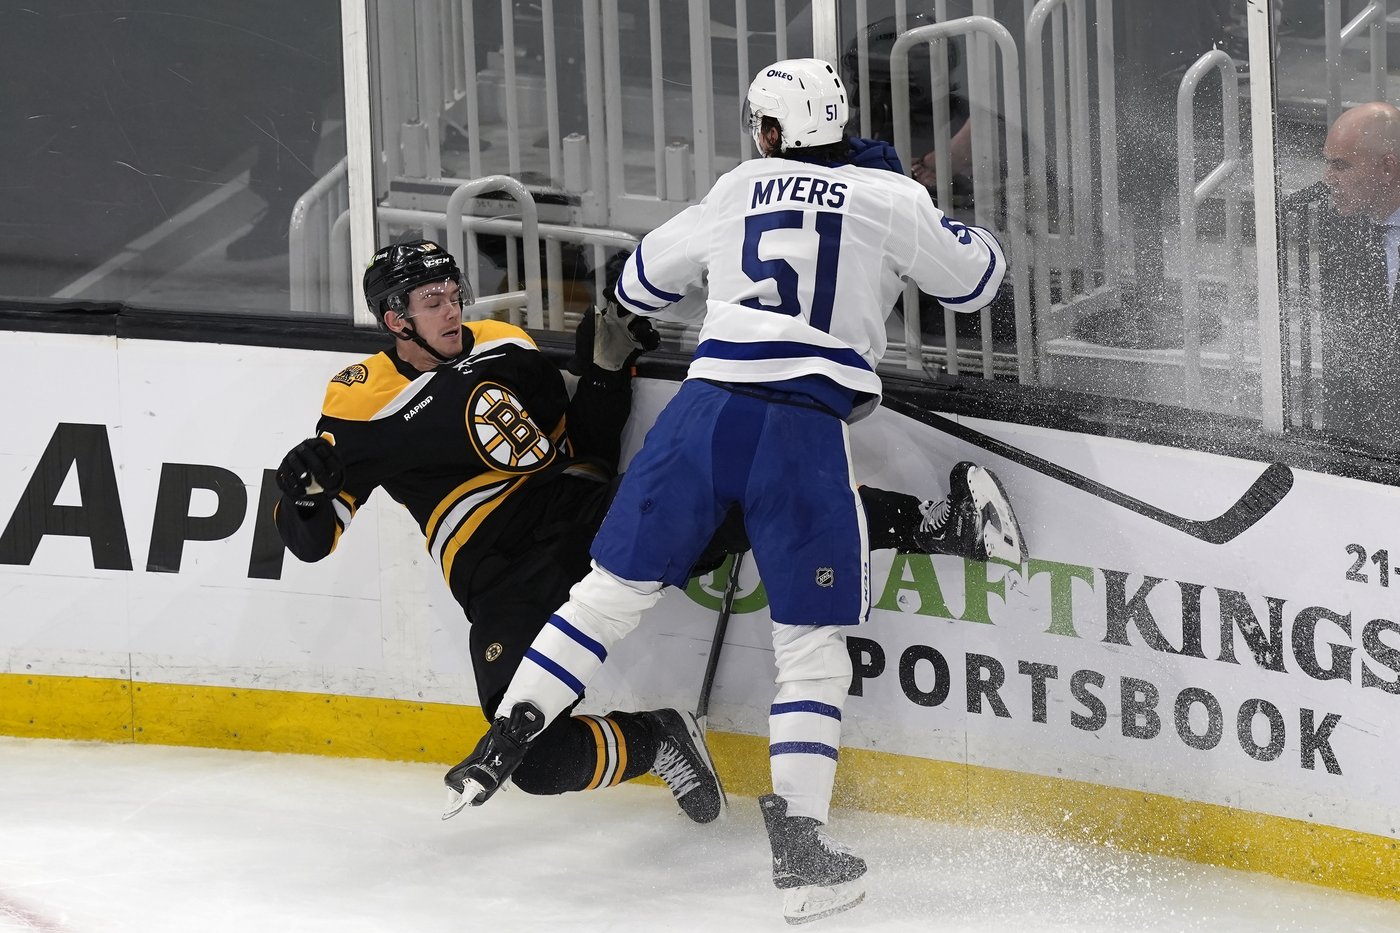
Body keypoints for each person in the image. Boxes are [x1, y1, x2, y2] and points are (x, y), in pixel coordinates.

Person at [444, 58, 1025, 925]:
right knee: (811, 645)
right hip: (800, 427)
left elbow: (636, 284)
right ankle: (801, 849)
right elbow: (978, 280)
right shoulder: (888, 196)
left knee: (607, 593)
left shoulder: (735, 188)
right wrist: (912, 204)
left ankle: (507, 737)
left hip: (703, 415)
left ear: (771, 130)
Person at [273, 239, 728, 824]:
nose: (452, 310)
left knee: (714, 513)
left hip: (577, 520)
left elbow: (585, 455)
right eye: (432, 301)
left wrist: (606, 375)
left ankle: (837, 533)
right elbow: (310, 543)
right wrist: (302, 496)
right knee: (535, 762)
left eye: (453, 293)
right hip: (501, 583)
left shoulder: (504, 344)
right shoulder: (361, 401)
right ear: (396, 320)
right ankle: (660, 739)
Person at [1315, 101, 1400, 445]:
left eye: (1341, 165)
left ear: (1388, 168)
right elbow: (1343, 365)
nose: (1327, 179)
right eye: (1327, 163)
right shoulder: (1340, 227)